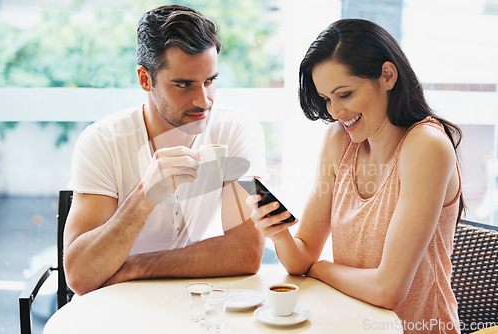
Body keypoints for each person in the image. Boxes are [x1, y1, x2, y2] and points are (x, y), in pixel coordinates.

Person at [248, 19, 463, 333]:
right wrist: (279, 233)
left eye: (345, 94)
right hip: (355, 325)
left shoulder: (426, 146)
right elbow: (301, 256)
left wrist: (319, 268)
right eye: (326, 99)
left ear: (387, 76)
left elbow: (387, 290)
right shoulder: (341, 141)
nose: (334, 111)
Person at [64, 4, 267, 296]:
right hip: (114, 306)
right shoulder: (102, 141)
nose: (203, 100)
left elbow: (246, 251)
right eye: (183, 84)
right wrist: (144, 196)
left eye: (210, 81)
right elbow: (81, 275)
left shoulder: (236, 129)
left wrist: (134, 268)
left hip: (187, 300)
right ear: (145, 79)